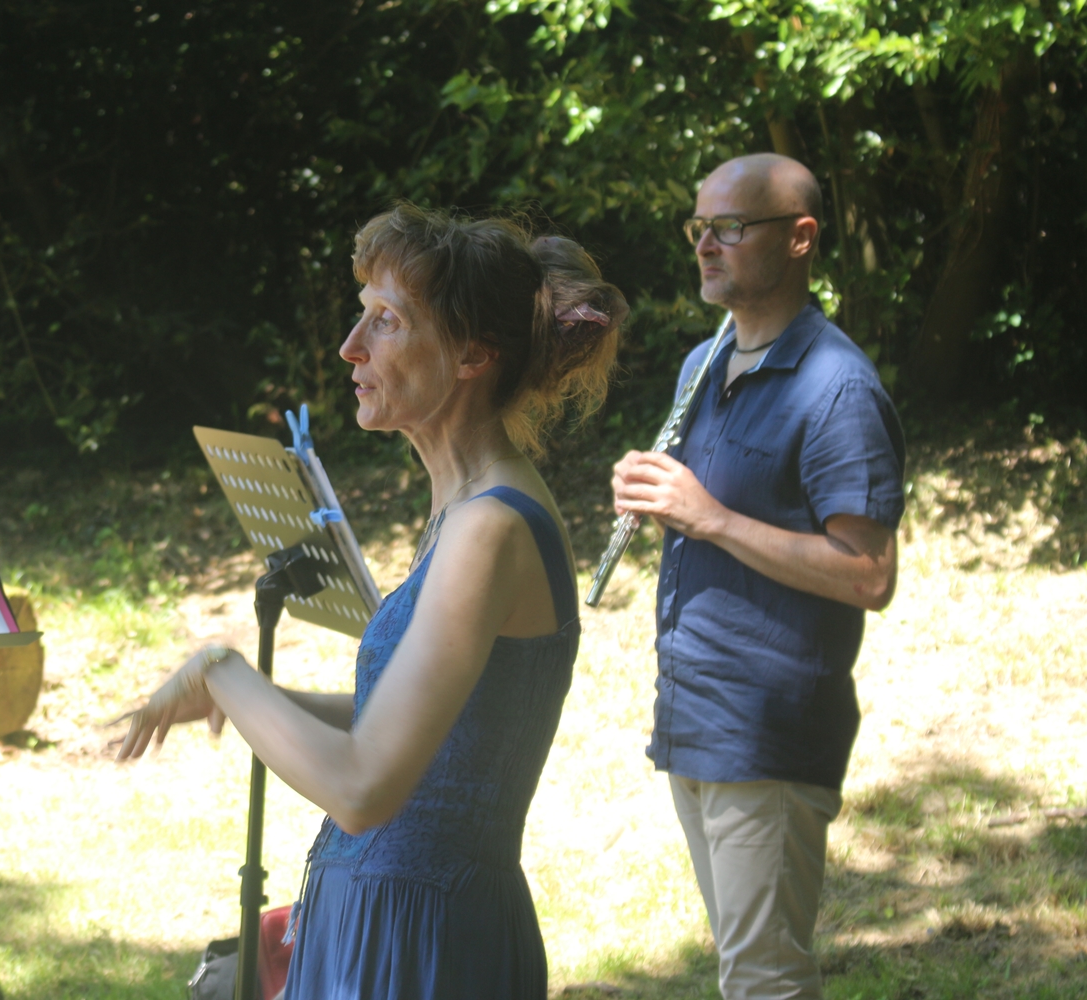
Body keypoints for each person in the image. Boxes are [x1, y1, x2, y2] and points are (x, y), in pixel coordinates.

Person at [116, 204, 626, 998]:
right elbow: (427, 730)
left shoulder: (489, 527)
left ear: (472, 354)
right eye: (362, 315)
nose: (351, 347)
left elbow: (364, 788)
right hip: (392, 914)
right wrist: (262, 703)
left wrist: (223, 672)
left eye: (386, 321)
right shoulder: (465, 507)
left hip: (421, 938)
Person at [610, 153, 905, 999]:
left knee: (764, 982)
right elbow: (707, 514)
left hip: (768, 731)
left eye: (730, 227)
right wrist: (659, 501)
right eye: (698, 227)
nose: (706, 244)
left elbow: (869, 576)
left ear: (800, 238)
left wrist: (709, 516)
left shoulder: (839, 388)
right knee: (747, 973)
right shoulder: (702, 365)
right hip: (694, 714)